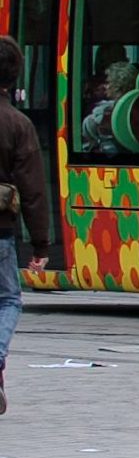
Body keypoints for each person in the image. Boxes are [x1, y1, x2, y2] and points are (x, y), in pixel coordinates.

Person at [0, 35, 50, 416]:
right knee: (8, 299)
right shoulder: (18, 123)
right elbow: (32, 189)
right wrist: (40, 244)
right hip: (1, 231)